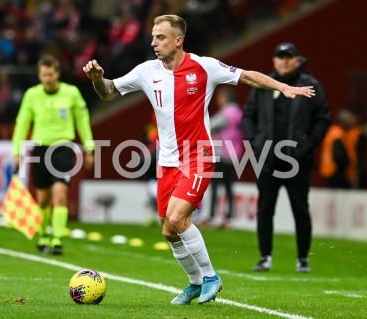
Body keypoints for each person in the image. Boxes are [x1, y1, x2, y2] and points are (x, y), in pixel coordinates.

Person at [83, 15, 315, 304]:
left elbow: (247, 75)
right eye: (153, 37)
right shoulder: (146, 71)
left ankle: (210, 277)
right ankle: (194, 283)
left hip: (198, 156)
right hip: (167, 162)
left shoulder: (205, 67)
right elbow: (108, 92)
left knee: (179, 218)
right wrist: (96, 79)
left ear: (178, 40)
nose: (154, 42)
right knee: (169, 231)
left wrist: (281, 87)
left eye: (161, 37)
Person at [242, 42, 330, 273]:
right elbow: (248, 115)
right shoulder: (262, 84)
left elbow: (322, 118)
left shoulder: (310, 85)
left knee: (300, 209)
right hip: (267, 159)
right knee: (265, 209)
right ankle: (265, 257)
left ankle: (302, 258)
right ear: (274, 61)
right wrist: (256, 143)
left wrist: (307, 145)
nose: (283, 61)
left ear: (297, 59)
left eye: (288, 57)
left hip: (298, 161)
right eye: (279, 57)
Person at [12, 54, 95, 255]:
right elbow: (22, 123)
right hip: (40, 149)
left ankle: (57, 239)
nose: (47, 79)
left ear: (57, 73)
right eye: (44, 75)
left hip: (63, 149)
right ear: (39, 76)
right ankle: (43, 235)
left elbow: (82, 121)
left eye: (50, 74)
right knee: (42, 198)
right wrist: (16, 151)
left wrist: (89, 148)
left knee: (60, 194)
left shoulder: (71, 93)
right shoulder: (32, 95)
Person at [202, 87, 244, 228]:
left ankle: (211, 217)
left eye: (220, 97)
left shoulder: (226, 113)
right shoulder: (240, 113)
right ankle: (230, 218)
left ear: (226, 98)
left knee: (214, 185)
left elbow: (208, 126)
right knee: (228, 186)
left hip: (221, 153)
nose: (218, 100)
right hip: (235, 153)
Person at [319, 109, 357, 189]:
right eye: (349, 119)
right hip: (337, 173)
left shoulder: (334, 131)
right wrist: (346, 165)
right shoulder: (338, 134)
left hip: (331, 171)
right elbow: (339, 155)